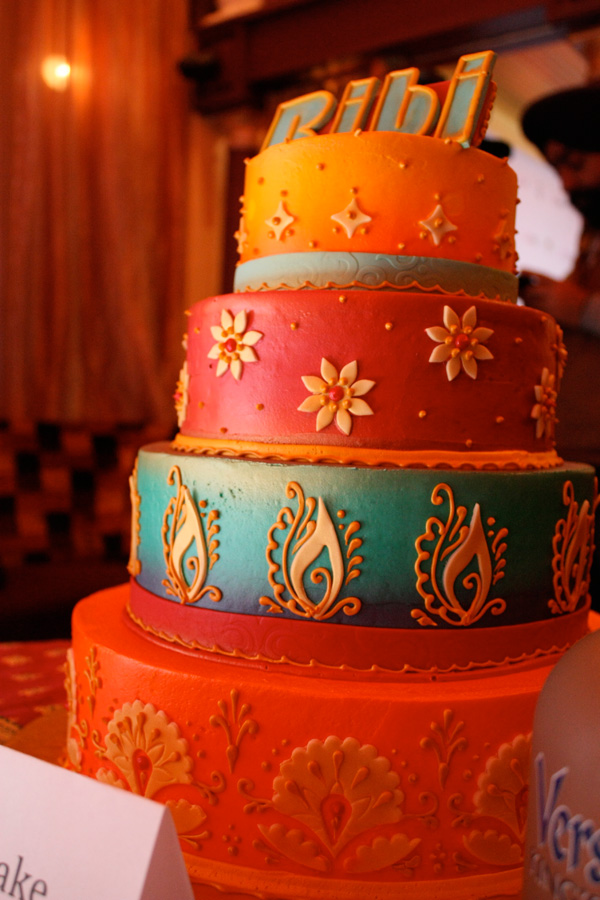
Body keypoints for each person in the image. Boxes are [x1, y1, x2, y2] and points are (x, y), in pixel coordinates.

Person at [521, 85, 600, 609]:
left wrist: (581, 308)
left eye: (576, 163)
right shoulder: (591, 235)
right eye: (558, 169)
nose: (569, 183)